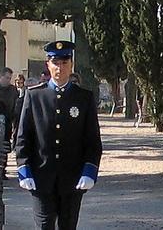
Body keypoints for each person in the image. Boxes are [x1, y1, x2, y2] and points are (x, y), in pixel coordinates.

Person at [15, 41, 103, 230]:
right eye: (56, 63)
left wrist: (89, 171)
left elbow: (92, 140)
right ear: (48, 64)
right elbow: (24, 137)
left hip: (72, 179)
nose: (60, 68)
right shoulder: (34, 96)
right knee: (44, 226)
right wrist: (24, 168)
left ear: (71, 65)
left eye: (64, 63)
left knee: (68, 226)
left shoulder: (83, 98)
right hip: (41, 177)